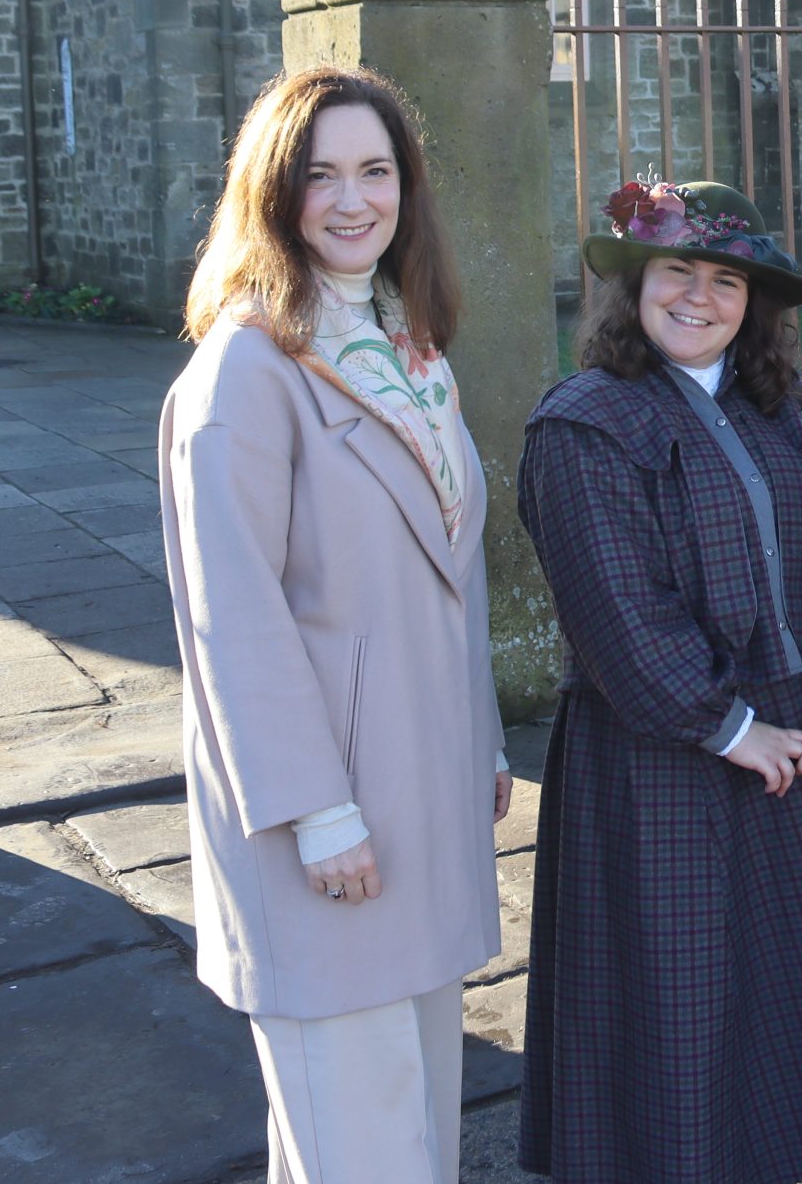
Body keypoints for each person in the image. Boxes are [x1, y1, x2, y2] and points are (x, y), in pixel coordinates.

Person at [513, 178, 802, 1184]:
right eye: (677, 272)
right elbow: (616, 609)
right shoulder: (587, 424)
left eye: (725, 280)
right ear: (633, 286)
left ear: (756, 303)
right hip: (658, 760)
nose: (699, 297)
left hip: (800, 755)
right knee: (676, 1012)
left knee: (785, 1000)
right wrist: (726, 723)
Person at [161, 64, 507, 1184]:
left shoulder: (409, 347)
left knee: (410, 1138)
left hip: (417, 790)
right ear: (273, 194)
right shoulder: (246, 371)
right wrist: (315, 815)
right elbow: (233, 622)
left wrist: (486, 735)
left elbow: (451, 574)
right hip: (330, 820)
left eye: (375, 170)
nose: (353, 200)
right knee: (361, 1150)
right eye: (320, 176)